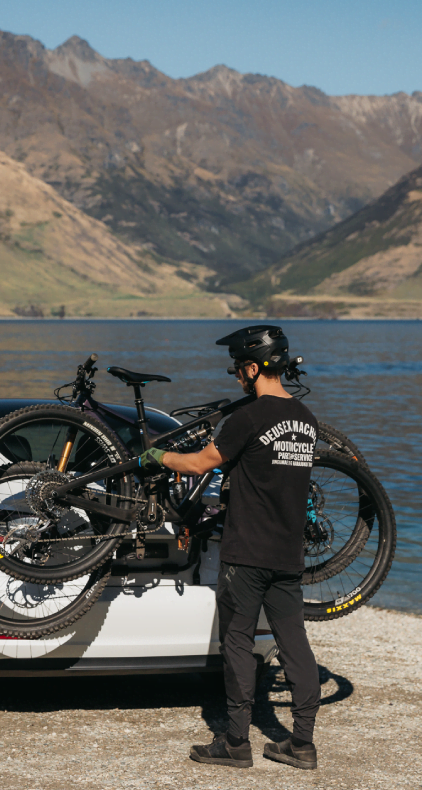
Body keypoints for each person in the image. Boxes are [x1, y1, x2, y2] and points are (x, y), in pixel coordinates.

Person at [140, 326, 321, 770]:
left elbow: (200, 463)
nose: (237, 376)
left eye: (240, 368)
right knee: (295, 645)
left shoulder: (247, 419)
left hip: (246, 555)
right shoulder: (307, 421)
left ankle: (236, 743)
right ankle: (302, 744)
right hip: (288, 554)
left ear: (254, 368)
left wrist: (157, 457)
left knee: (237, 644)